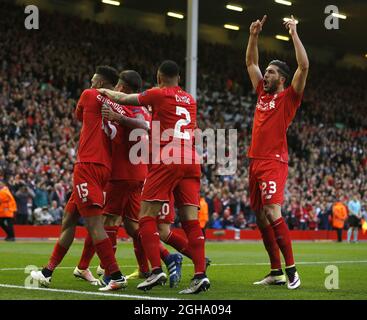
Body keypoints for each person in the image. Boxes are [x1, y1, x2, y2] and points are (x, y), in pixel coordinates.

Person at [98, 60, 210, 294]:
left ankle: (156, 270)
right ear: (179, 78)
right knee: (191, 221)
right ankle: (200, 274)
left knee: (146, 216)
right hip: (191, 158)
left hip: (168, 157)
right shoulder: (190, 100)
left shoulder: (158, 94)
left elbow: (122, 99)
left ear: (159, 78)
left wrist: (99, 90)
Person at [74, 70, 184, 288]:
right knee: (135, 227)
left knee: (107, 222)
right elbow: (148, 126)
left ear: (122, 89)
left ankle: (108, 273)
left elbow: (92, 111)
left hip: (120, 173)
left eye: (116, 87)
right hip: (140, 174)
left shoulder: (119, 106)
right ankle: (164, 260)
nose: (114, 90)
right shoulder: (144, 109)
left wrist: (115, 113)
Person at [31, 66, 133, 291]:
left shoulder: (89, 95)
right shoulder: (121, 107)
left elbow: (78, 115)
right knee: (68, 220)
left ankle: (115, 275)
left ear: (100, 83)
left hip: (88, 165)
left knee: (94, 225)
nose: (90, 83)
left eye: (93, 80)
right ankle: (47, 272)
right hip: (105, 167)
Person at [245, 15, 308, 289]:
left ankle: (292, 270)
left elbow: (304, 66)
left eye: (270, 72)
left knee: (272, 210)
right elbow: (250, 62)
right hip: (254, 160)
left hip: (274, 161)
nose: (265, 75)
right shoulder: (261, 93)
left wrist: (294, 33)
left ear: (282, 78)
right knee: (260, 216)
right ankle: (276, 271)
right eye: (266, 72)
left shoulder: (289, 97)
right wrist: (253, 35)